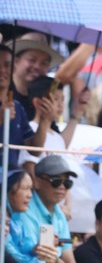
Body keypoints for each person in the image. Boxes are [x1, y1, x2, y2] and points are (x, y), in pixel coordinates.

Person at [0, 44, 46, 172]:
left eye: (7, 65)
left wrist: (45, 120)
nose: (3, 71)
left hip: (11, 182)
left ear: (13, 67)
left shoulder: (17, 107)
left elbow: (34, 150)